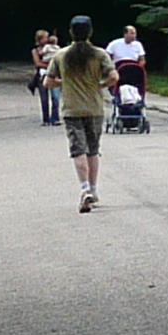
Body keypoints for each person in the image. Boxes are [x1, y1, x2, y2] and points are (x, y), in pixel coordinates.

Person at [57, 14, 115, 212]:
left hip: (71, 109)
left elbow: (48, 81)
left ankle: (84, 190)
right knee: (92, 149)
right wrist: (100, 85)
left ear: (71, 32)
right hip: (94, 108)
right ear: (90, 32)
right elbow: (114, 77)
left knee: (78, 149)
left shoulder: (61, 55)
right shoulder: (100, 54)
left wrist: (65, 83)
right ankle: (93, 188)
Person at [30, 29, 61, 125]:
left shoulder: (52, 47)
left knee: (55, 97)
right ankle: (46, 119)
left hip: (53, 75)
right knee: (44, 98)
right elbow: (38, 63)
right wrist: (51, 65)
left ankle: (55, 118)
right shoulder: (35, 51)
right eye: (44, 38)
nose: (46, 39)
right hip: (42, 76)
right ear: (39, 40)